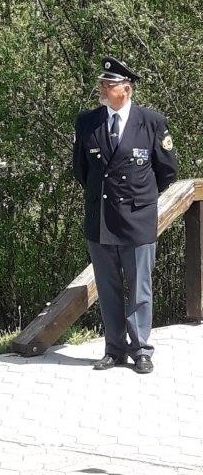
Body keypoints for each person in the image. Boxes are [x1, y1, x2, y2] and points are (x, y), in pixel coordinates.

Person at [73, 55, 178, 374]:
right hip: (101, 218)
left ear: (127, 89)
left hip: (137, 219)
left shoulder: (152, 122)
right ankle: (114, 349)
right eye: (102, 84)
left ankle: (141, 349)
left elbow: (167, 170)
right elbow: (81, 170)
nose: (103, 88)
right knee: (107, 288)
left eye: (110, 84)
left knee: (139, 287)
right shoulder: (87, 121)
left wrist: (139, 199)